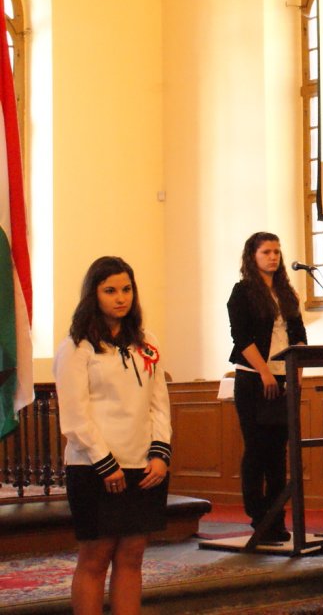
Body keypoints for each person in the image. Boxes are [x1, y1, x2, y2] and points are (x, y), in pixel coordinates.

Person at [55, 256, 171, 615]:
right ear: (94, 294)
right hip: (95, 466)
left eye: (126, 289)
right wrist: (105, 463)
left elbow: (159, 403)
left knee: (133, 555)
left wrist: (160, 454)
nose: (121, 298)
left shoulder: (146, 342)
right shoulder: (77, 346)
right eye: (110, 291)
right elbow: (75, 415)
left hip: (143, 466)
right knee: (96, 556)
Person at [227, 232, 308, 542]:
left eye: (276, 251)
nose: (273, 257)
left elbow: (298, 335)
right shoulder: (243, 292)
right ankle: (258, 516)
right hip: (253, 377)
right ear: (253, 256)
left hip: (284, 376)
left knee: (278, 454)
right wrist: (264, 372)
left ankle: (276, 519)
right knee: (257, 449)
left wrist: (297, 372)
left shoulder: (287, 293)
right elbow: (241, 338)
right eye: (266, 252)